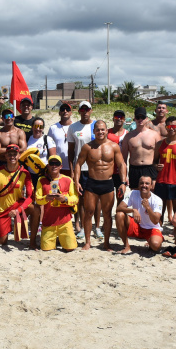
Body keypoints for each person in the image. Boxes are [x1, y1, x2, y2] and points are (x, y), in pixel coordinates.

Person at [74, 120, 126, 251]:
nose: (100, 132)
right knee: (88, 213)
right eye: (98, 129)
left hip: (108, 183)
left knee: (107, 214)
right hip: (92, 183)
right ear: (94, 131)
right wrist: (76, 181)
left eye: (103, 129)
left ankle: (106, 243)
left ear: (107, 130)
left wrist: (123, 182)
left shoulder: (114, 146)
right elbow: (78, 164)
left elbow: (122, 165)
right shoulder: (87, 147)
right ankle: (87, 242)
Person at [0, 145, 34, 247]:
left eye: (15, 154)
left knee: (34, 209)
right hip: (1, 210)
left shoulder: (25, 173)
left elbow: (31, 196)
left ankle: (33, 241)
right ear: (5, 156)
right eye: (9, 154)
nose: (12, 156)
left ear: (19, 156)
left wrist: (18, 210)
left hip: (16, 206)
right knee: (2, 241)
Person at [34, 155, 79, 252]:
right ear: (48, 166)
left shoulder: (68, 180)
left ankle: (60, 239)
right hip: (49, 221)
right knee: (46, 249)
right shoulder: (41, 180)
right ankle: (57, 239)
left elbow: (75, 199)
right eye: (52, 164)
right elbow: (37, 199)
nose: (54, 166)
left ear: (61, 166)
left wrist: (65, 199)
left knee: (70, 248)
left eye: (57, 164)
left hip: (65, 221)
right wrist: (46, 198)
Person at [114, 175, 163, 255]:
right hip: (137, 225)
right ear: (138, 185)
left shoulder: (157, 200)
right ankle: (126, 245)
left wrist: (148, 207)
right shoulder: (133, 193)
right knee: (119, 215)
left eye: (147, 183)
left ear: (151, 186)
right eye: (141, 183)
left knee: (156, 246)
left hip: (151, 228)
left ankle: (152, 241)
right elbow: (118, 208)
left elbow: (156, 221)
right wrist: (133, 210)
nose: (144, 185)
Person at [68, 101, 96, 238]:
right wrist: (73, 171)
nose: (85, 111)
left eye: (87, 109)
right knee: (80, 199)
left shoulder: (97, 126)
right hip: (80, 168)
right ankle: (81, 226)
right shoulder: (73, 127)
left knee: (95, 200)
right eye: (82, 109)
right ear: (79, 111)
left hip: (95, 169)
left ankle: (95, 227)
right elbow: (71, 152)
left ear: (91, 110)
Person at [121, 106, 161, 192]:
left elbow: (161, 154)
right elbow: (123, 159)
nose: (140, 119)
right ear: (134, 119)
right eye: (138, 117)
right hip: (135, 169)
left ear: (146, 118)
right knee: (136, 196)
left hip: (150, 168)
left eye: (142, 117)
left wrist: (158, 172)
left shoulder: (154, 135)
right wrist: (124, 177)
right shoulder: (128, 136)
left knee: (151, 196)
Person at [25, 117, 55, 184]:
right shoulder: (28, 139)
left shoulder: (48, 139)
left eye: (40, 126)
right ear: (32, 127)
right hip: (30, 174)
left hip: (44, 173)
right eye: (35, 126)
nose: (38, 129)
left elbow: (53, 158)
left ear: (43, 128)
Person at [48, 103, 74, 176]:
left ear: (71, 113)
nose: (65, 111)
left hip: (73, 167)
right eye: (62, 110)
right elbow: (49, 147)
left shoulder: (75, 127)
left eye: (67, 110)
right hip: (57, 166)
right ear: (59, 113)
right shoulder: (53, 128)